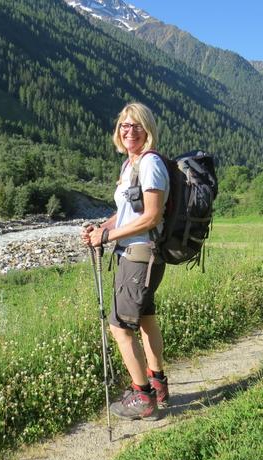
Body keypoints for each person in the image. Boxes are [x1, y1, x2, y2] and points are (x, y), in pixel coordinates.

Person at [81, 102, 170, 420]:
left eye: (136, 126)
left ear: (147, 130)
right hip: (135, 255)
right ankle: (158, 385)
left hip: (141, 255)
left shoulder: (150, 163)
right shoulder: (129, 165)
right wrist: (103, 228)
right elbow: (126, 212)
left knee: (119, 327)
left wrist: (108, 238)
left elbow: (151, 215)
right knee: (145, 320)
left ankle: (142, 397)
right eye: (124, 125)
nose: (129, 131)